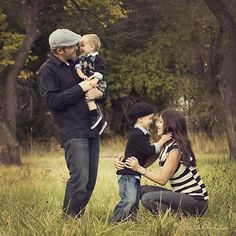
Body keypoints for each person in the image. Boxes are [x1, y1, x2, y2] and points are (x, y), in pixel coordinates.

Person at [38, 29, 108, 218]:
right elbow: (52, 101)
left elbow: (101, 89)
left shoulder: (77, 64)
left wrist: (98, 94)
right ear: (60, 50)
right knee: (79, 179)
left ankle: (76, 218)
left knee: (90, 180)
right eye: (71, 46)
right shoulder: (47, 70)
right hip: (72, 129)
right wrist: (80, 88)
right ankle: (68, 221)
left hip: (91, 128)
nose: (76, 48)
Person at [122, 109, 208, 216]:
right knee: (140, 190)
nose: (157, 124)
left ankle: (180, 217)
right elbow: (143, 162)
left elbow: (162, 180)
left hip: (196, 201)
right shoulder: (166, 146)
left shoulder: (175, 150)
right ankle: (178, 213)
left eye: (161, 122)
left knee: (148, 199)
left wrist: (139, 169)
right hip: (181, 196)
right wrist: (121, 161)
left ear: (170, 125)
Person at [110, 103, 172, 223]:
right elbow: (149, 151)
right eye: (149, 119)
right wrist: (162, 141)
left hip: (133, 173)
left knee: (134, 200)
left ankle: (131, 221)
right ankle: (115, 221)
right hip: (127, 173)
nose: (151, 122)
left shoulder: (143, 134)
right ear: (140, 119)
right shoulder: (137, 135)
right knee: (129, 199)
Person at [75, 34, 107, 135]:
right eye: (80, 46)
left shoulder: (97, 59)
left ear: (92, 47)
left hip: (96, 82)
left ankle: (95, 117)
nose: (80, 48)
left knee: (89, 98)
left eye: (83, 45)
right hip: (86, 81)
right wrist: (82, 75)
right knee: (88, 99)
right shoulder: (81, 58)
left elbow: (100, 72)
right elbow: (78, 68)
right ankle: (100, 122)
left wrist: (95, 80)